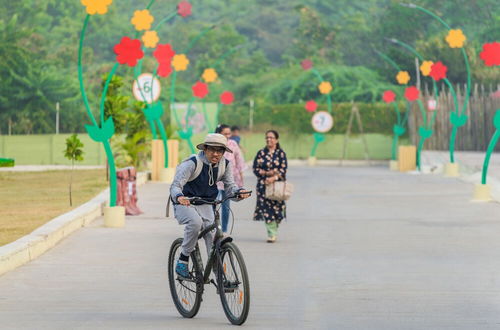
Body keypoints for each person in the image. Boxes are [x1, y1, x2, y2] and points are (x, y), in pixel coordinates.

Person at [170, 133, 250, 278]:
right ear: (205, 149)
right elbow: (175, 186)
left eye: (220, 150)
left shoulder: (225, 164)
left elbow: (230, 187)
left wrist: (239, 192)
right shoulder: (192, 163)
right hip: (185, 202)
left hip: (207, 204)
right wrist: (180, 197)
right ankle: (183, 259)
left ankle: (220, 276)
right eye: (212, 149)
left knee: (213, 239)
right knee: (195, 222)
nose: (216, 154)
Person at [252, 130, 288, 243]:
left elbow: (283, 169)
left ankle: (274, 227)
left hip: (278, 186)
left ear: (276, 140)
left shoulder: (281, 154)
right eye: (267, 137)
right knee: (267, 210)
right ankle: (271, 234)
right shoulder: (261, 153)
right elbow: (255, 168)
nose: (269, 139)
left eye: (271, 137)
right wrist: (266, 174)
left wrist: (274, 177)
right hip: (263, 186)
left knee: (278, 211)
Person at [215, 124, 246, 233]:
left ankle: (223, 230)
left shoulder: (233, 144)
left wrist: (241, 176)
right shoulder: (213, 146)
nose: (228, 136)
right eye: (225, 134)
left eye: (229, 133)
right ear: (219, 134)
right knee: (211, 205)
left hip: (227, 182)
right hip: (213, 181)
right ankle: (209, 228)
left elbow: (239, 159)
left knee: (226, 207)